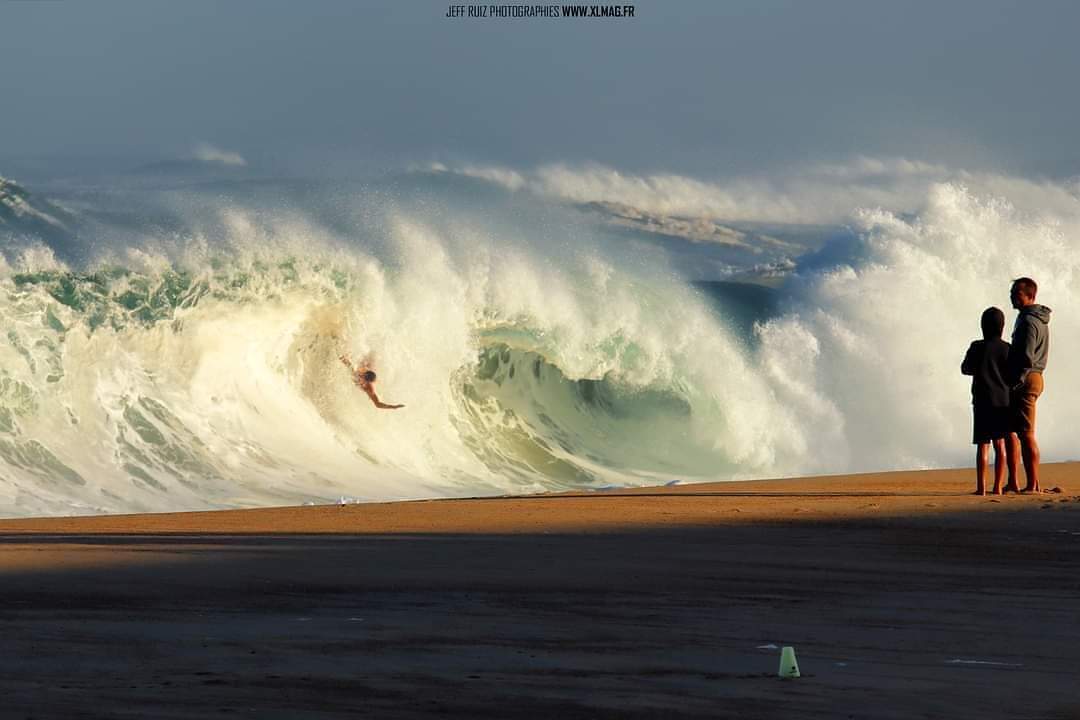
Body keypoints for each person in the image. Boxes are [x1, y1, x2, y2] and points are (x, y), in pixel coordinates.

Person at [961, 307, 1017, 495]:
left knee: (983, 444)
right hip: (1002, 400)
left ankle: (981, 487)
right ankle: (997, 487)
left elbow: (965, 369)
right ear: (1002, 327)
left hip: (982, 399)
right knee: (999, 443)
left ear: (982, 326)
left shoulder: (976, 346)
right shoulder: (1007, 348)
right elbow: (1012, 374)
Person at [1004, 277, 1051, 493]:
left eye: (1017, 293)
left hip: (1027, 377)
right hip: (1033, 376)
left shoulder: (1029, 321)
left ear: (1030, 295)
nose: (1012, 297)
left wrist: (1016, 380)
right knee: (1017, 431)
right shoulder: (1032, 318)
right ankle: (1022, 482)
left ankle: (1032, 484)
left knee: (1026, 433)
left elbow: (1026, 356)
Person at [338, 354, 405, 410]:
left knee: (360, 368)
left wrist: (393, 407)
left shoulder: (369, 388)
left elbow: (378, 404)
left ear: (367, 381)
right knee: (362, 365)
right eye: (362, 375)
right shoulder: (359, 372)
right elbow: (348, 364)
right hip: (364, 371)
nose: (361, 376)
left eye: (363, 377)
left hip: (365, 377)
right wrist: (341, 357)